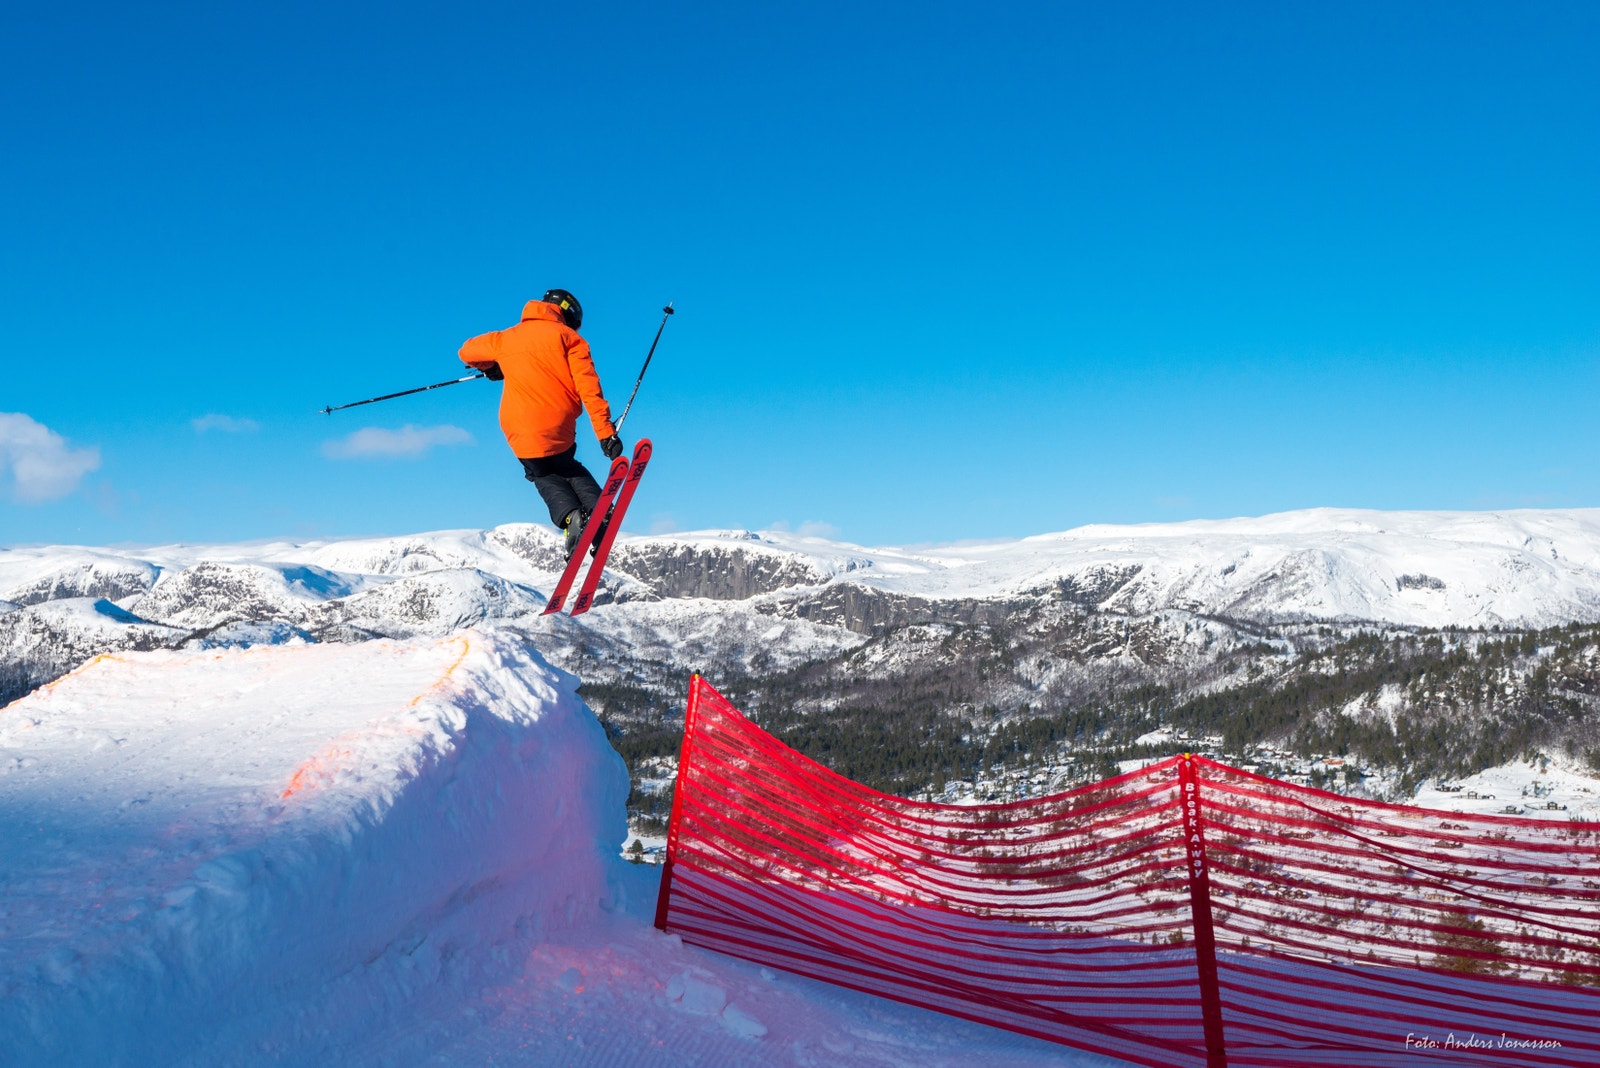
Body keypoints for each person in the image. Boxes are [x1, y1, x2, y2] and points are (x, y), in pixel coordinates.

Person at [459, 289, 624, 558]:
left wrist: (492, 366)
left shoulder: (505, 338)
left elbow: (466, 351)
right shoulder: (570, 339)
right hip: (557, 423)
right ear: (567, 315)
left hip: (518, 428)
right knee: (567, 467)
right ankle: (599, 514)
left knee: (542, 473)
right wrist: (606, 434)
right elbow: (589, 389)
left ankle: (572, 517)